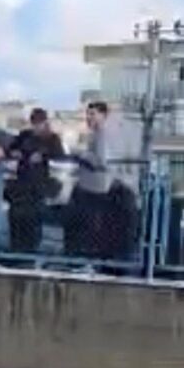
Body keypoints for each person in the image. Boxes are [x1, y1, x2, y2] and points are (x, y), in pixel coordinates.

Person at [6, 108, 64, 253]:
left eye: (38, 123)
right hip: (21, 184)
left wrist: (43, 156)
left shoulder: (52, 139)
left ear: (45, 123)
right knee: (16, 218)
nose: (36, 126)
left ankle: (31, 250)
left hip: (38, 186)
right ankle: (16, 249)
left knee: (33, 219)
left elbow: (59, 156)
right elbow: (9, 148)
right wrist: (14, 152)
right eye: (34, 123)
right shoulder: (24, 135)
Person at [67, 102, 111, 259]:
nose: (88, 117)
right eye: (88, 114)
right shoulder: (95, 134)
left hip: (94, 189)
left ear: (103, 115)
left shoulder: (102, 134)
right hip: (88, 186)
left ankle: (87, 260)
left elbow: (101, 161)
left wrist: (79, 153)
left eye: (92, 114)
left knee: (89, 227)